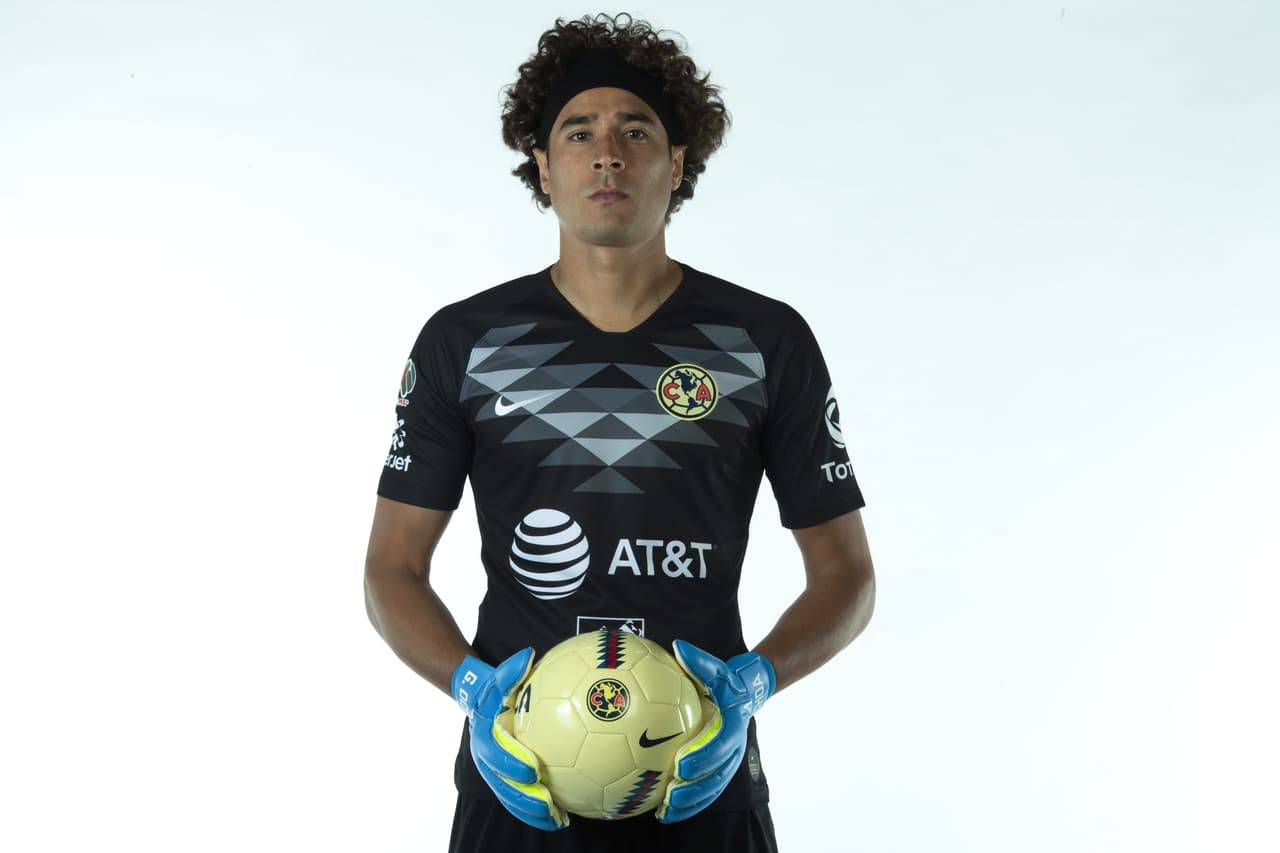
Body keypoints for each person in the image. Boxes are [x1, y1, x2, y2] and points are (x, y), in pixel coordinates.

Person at [364, 13, 876, 852]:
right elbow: (390, 569)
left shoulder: (762, 339)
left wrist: (754, 683)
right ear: (543, 166)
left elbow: (847, 575)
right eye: (578, 131)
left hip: (701, 781)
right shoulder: (468, 342)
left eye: (636, 130)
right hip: (519, 781)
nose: (607, 153)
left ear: (677, 164)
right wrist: (473, 689)